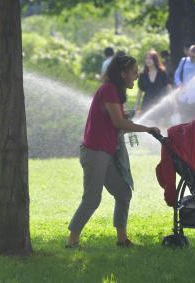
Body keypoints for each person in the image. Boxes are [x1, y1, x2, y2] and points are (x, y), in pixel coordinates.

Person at [66, 55, 161, 248]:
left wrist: (131, 121)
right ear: (122, 73)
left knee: (123, 192)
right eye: (134, 72)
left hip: (106, 152)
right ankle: (72, 241)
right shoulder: (109, 89)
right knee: (92, 199)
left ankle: (122, 239)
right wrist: (147, 129)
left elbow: (117, 122)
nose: (137, 76)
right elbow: (118, 122)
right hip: (95, 152)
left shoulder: (114, 92)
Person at [135, 50, 172, 114]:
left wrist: (173, 103)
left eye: (150, 58)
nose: (148, 60)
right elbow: (140, 91)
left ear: (155, 60)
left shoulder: (162, 73)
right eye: (146, 58)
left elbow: (168, 88)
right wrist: (136, 105)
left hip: (160, 104)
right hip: (146, 104)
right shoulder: (143, 74)